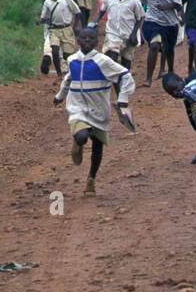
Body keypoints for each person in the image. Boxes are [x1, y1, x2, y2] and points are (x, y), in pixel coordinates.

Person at [54, 24, 136, 197]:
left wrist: (122, 99)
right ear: (78, 41)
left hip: (99, 109)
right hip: (77, 107)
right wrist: (60, 96)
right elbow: (69, 79)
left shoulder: (103, 61)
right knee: (82, 135)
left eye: (91, 38)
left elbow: (125, 75)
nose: (87, 41)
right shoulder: (73, 60)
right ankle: (78, 143)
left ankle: (91, 178)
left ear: (97, 42)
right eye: (84, 38)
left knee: (98, 146)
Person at [140, 0, 183, 86]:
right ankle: (148, 78)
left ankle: (170, 71)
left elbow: (178, 3)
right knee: (154, 45)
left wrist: (165, 7)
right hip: (152, 21)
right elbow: (144, 0)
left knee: (169, 50)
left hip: (170, 23)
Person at [98, 0, 144, 72]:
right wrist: (96, 21)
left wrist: (134, 33)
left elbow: (139, 17)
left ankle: (123, 83)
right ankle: (116, 85)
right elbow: (102, 9)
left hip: (128, 35)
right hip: (112, 33)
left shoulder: (134, 0)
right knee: (112, 59)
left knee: (126, 64)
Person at [36, 0, 81, 78]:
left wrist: (76, 25)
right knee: (55, 52)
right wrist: (40, 21)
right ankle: (59, 73)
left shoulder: (67, 0)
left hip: (66, 29)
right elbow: (44, 17)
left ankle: (72, 71)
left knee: (67, 55)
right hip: (54, 30)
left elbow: (78, 12)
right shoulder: (47, 2)